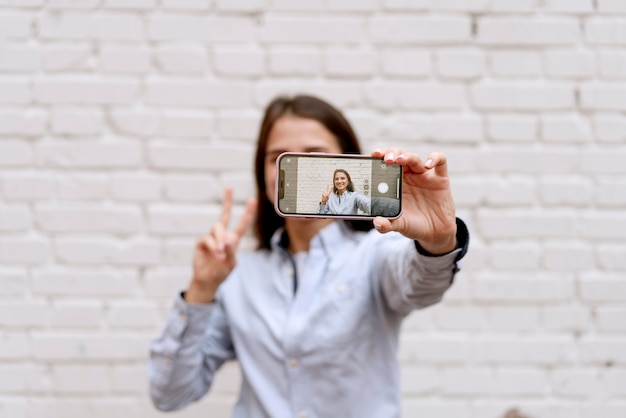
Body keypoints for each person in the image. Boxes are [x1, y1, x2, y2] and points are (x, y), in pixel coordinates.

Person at [148, 94, 469, 418]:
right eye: (280, 157)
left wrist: (439, 240)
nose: (300, 170)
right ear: (263, 173)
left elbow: (421, 283)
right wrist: (201, 290)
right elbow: (169, 393)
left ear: (346, 165)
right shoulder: (239, 275)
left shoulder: (375, 254)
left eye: (315, 155)